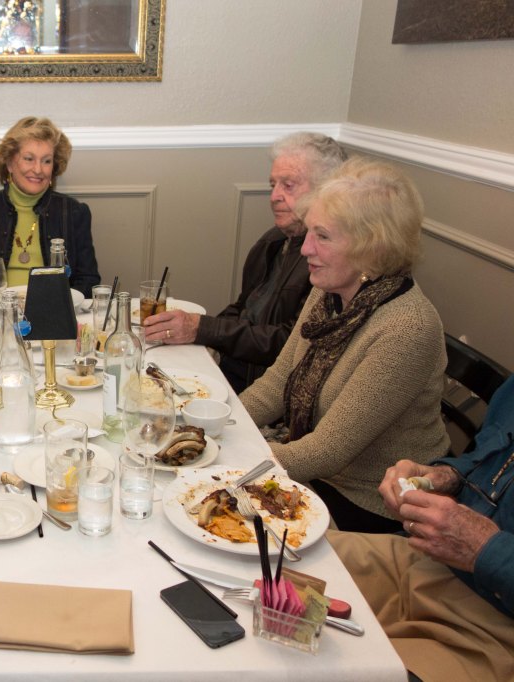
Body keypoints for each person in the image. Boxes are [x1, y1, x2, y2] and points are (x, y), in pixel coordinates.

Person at [239, 157, 448, 533]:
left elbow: (327, 450)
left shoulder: (407, 327)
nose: (305, 250)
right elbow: (275, 385)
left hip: (369, 506)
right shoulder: (332, 291)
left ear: (372, 247)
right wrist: (215, 430)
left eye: (323, 236)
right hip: (311, 473)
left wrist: (231, 462)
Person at [328, 373, 514, 682]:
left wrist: (484, 547)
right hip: (425, 560)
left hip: (491, 631)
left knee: (333, 669)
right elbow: (484, 459)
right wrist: (443, 477)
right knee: (273, 560)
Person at [142, 132, 348, 393]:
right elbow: (243, 308)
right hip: (230, 379)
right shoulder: (272, 242)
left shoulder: (327, 264)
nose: (274, 196)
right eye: (273, 184)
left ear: (327, 190)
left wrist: (202, 329)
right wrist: (193, 328)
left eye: (288, 185)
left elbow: (289, 342)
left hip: (266, 393)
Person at [0, 116, 100, 298]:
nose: (38, 170)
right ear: (9, 163)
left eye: (46, 161)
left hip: (54, 314)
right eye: (29, 159)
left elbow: (88, 280)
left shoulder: (74, 212)